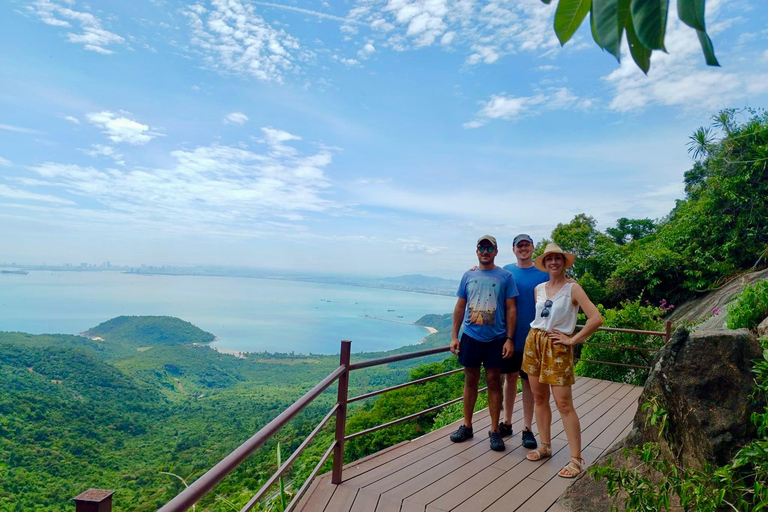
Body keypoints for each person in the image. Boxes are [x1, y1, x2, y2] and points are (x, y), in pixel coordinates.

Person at [522, 243, 603, 478]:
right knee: (539, 397)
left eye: (558, 259)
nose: (554, 262)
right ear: (545, 264)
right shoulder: (538, 288)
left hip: (557, 347)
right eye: (549, 259)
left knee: (564, 404)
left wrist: (573, 340)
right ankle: (545, 445)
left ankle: (576, 459)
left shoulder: (573, 289)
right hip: (534, 343)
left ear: (564, 262)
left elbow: (596, 318)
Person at [449, 235, 518, 452]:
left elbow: (511, 309)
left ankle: (494, 430)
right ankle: (467, 426)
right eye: (482, 247)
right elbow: (460, 306)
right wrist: (454, 336)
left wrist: (509, 338)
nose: (485, 251)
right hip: (471, 335)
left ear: (496, 251)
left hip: (496, 338)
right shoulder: (468, 275)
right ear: (476, 251)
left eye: (490, 248)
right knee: (470, 380)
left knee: (494, 381)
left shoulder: (505, 276)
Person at [498, 234, 549, 449]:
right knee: (509, 379)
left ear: (533, 248)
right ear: (513, 249)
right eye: (520, 246)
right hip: (509, 338)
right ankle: (507, 422)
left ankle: (527, 428)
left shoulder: (544, 273)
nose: (523, 249)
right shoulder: (506, 271)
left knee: (529, 383)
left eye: (527, 245)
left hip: (534, 339)